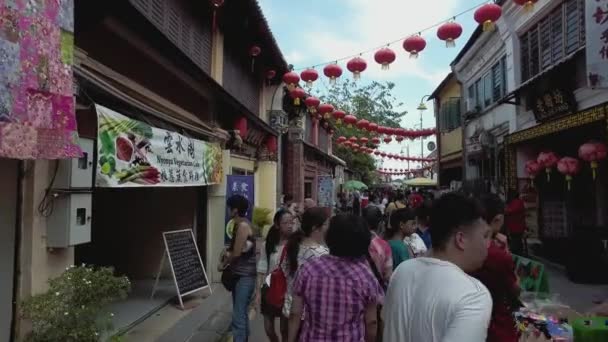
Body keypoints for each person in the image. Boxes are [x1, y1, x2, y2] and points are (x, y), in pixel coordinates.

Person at [383, 193, 493, 342]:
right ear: (461, 239)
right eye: (485, 236)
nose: (489, 244)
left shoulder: (402, 271)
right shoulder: (473, 296)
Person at [288, 214, 383, 342]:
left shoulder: (309, 269)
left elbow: (295, 313)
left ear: (329, 237)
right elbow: (371, 322)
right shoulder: (365, 276)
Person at [473, 194, 520, 342]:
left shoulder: (466, 247)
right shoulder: (498, 255)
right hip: (497, 326)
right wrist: (506, 251)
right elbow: (515, 290)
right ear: (498, 219)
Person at [281, 207, 329, 318]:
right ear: (315, 228)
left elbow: (285, 272)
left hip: (289, 309)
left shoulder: (292, 246)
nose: (328, 227)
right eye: (326, 224)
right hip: (309, 315)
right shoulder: (323, 254)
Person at [222, 195, 257, 342]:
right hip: (240, 275)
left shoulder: (243, 226)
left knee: (238, 316)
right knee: (241, 314)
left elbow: (236, 253)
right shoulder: (241, 224)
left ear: (235, 210)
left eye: (230, 207)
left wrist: (223, 264)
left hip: (245, 277)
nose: (228, 209)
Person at [256, 209, 293, 342]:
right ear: (277, 225)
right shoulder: (268, 245)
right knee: (269, 328)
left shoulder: (296, 245)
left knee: (284, 329)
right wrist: (258, 292)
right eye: (285, 223)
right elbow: (262, 267)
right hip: (269, 288)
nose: (290, 225)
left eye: (291, 222)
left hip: (287, 290)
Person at [364, 206, 393, 286]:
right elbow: (388, 276)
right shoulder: (384, 245)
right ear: (380, 223)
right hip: (375, 290)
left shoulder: (352, 240)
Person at [505, 190, 526, 255]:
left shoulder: (517, 202)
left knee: (515, 242)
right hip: (516, 226)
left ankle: (516, 255)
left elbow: (510, 210)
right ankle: (520, 254)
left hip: (516, 227)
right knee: (517, 241)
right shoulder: (517, 202)